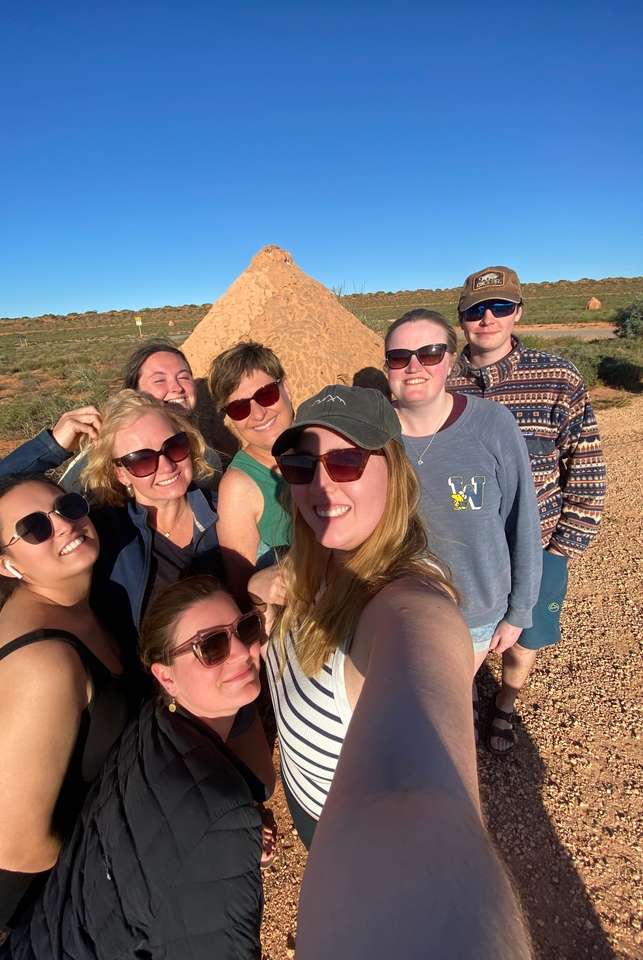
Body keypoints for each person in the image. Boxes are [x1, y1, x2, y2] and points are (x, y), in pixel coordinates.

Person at [250, 385, 532, 959]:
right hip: (309, 807)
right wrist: (263, 588)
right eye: (302, 465)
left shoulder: (407, 602)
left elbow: (418, 795)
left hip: (344, 823)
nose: (323, 485)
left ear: (394, 469)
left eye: (348, 461)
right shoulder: (315, 564)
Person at [0, 391, 276, 794]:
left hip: (230, 696)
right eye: (141, 459)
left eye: (174, 446)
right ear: (119, 474)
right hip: (150, 722)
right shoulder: (95, 532)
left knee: (258, 788)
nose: (165, 466)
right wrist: (51, 446)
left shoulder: (227, 510)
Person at [0, 576, 269, 960]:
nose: (241, 651)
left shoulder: (152, 724)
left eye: (246, 628)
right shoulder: (222, 815)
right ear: (165, 676)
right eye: (211, 646)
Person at [0, 476, 133, 930]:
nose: (63, 524)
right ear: (5, 565)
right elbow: (17, 849)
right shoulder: (44, 667)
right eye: (35, 527)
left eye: (67, 505)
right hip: (17, 882)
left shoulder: (71, 599)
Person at [448, 266, 607, 754]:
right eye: (477, 309)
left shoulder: (557, 378)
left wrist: (562, 548)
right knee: (459, 637)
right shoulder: (443, 380)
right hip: (464, 550)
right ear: (462, 319)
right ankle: (459, 702)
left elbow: (586, 465)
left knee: (523, 639)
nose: (488, 318)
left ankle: (505, 705)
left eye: (499, 307)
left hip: (538, 545)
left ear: (517, 310)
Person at [384, 309, 542, 746]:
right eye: (399, 357)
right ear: (388, 369)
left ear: (451, 360)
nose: (414, 367)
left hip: (476, 608)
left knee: (439, 704)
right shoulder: (374, 437)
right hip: (402, 607)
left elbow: (521, 519)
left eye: (429, 353)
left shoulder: (491, 424)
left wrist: (520, 611)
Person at [60, 338, 222, 492]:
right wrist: (51, 447)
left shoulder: (206, 458)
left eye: (184, 377)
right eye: (159, 380)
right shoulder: (99, 459)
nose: (177, 387)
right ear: (134, 391)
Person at [208, 342, 294, 602]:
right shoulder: (239, 486)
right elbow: (246, 595)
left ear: (286, 388)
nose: (257, 414)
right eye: (239, 407)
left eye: (266, 394)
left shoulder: (318, 444)